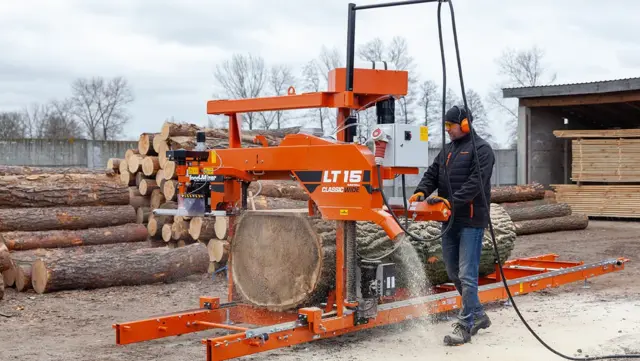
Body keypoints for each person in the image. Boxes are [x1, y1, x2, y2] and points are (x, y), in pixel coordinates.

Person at [408, 105, 495, 346]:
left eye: (451, 126)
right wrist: (421, 191)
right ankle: (478, 315)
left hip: (470, 219)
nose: (447, 130)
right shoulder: (447, 150)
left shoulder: (482, 150)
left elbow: (475, 183)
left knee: (467, 275)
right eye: (445, 126)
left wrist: (451, 201)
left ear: (465, 124)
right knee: (453, 272)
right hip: (448, 220)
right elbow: (433, 174)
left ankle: (465, 325)